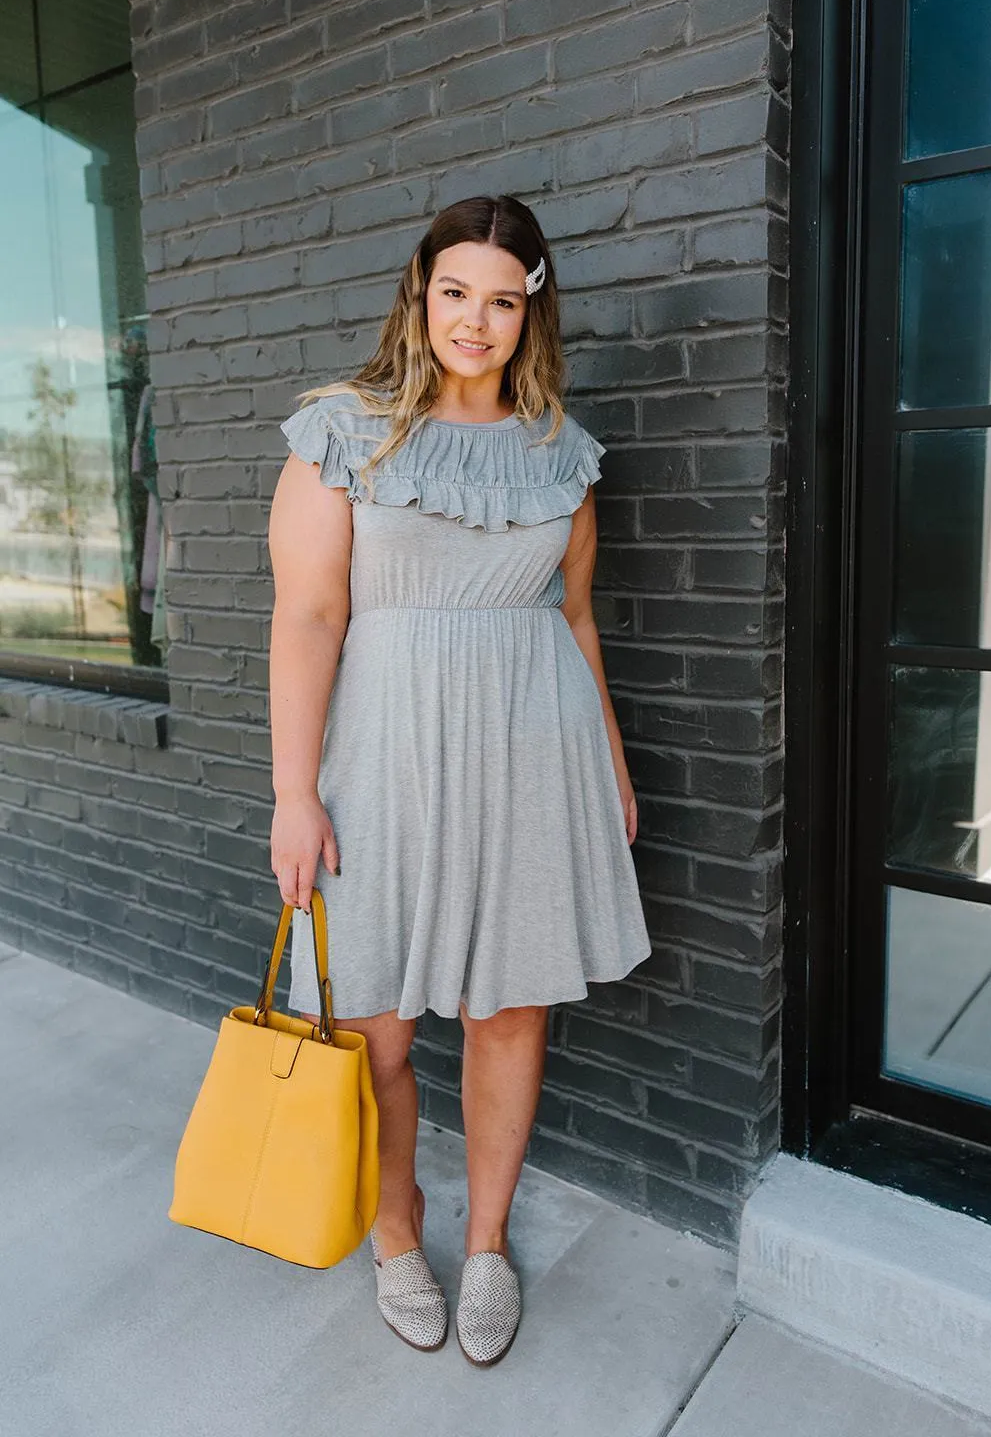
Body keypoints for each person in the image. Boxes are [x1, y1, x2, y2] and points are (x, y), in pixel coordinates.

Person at [267, 193, 651, 1367]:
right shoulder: (345, 429)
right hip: (382, 756)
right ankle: (399, 1227)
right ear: (420, 290)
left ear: (530, 306)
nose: (474, 321)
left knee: (509, 1010)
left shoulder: (560, 452)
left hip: (537, 757)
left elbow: (575, 618)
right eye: (454, 292)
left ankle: (486, 1242)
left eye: (500, 297)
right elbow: (309, 616)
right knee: (378, 1027)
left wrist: (614, 767)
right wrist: (294, 791)